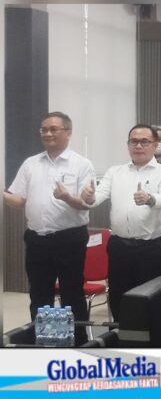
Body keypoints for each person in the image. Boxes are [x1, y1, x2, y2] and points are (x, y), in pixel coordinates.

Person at [4, 111, 94, 345]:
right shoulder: (31, 163)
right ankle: (46, 342)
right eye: (44, 129)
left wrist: (66, 197)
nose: (47, 133)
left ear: (68, 132)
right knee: (39, 294)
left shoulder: (81, 164)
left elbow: (84, 204)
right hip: (37, 239)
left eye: (54, 129)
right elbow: (19, 200)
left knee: (71, 294)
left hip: (69, 239)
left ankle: (77, 343)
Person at [81, 124, 161, 322]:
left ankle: (152, 337)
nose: (138, 146)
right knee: (119, 298)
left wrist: (149, 199)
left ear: (155, 145)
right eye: (134, 141)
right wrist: (89, 197)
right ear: (128, 145)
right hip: (119, 246)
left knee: (151, 298)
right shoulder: (115, 172)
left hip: (151, 248)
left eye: (144, 142)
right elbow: (97, 197)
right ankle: (120, 333)